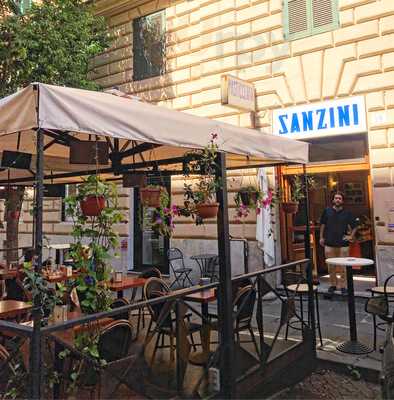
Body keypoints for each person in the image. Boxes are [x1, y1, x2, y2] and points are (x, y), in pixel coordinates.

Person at [319, 191, 357, 298]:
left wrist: (350, 236)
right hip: (329, 243)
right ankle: (333, 285)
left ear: (342, 201)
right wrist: (321, 237)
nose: (338, 200)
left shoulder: (347, 213)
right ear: (333, 200)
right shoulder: (327, 211)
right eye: (336, 198)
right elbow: (322, 225)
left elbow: (355, 226)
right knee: (331, 266)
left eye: (340, 198)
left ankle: (343, 286)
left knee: (343, 267)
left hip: (343, 244)